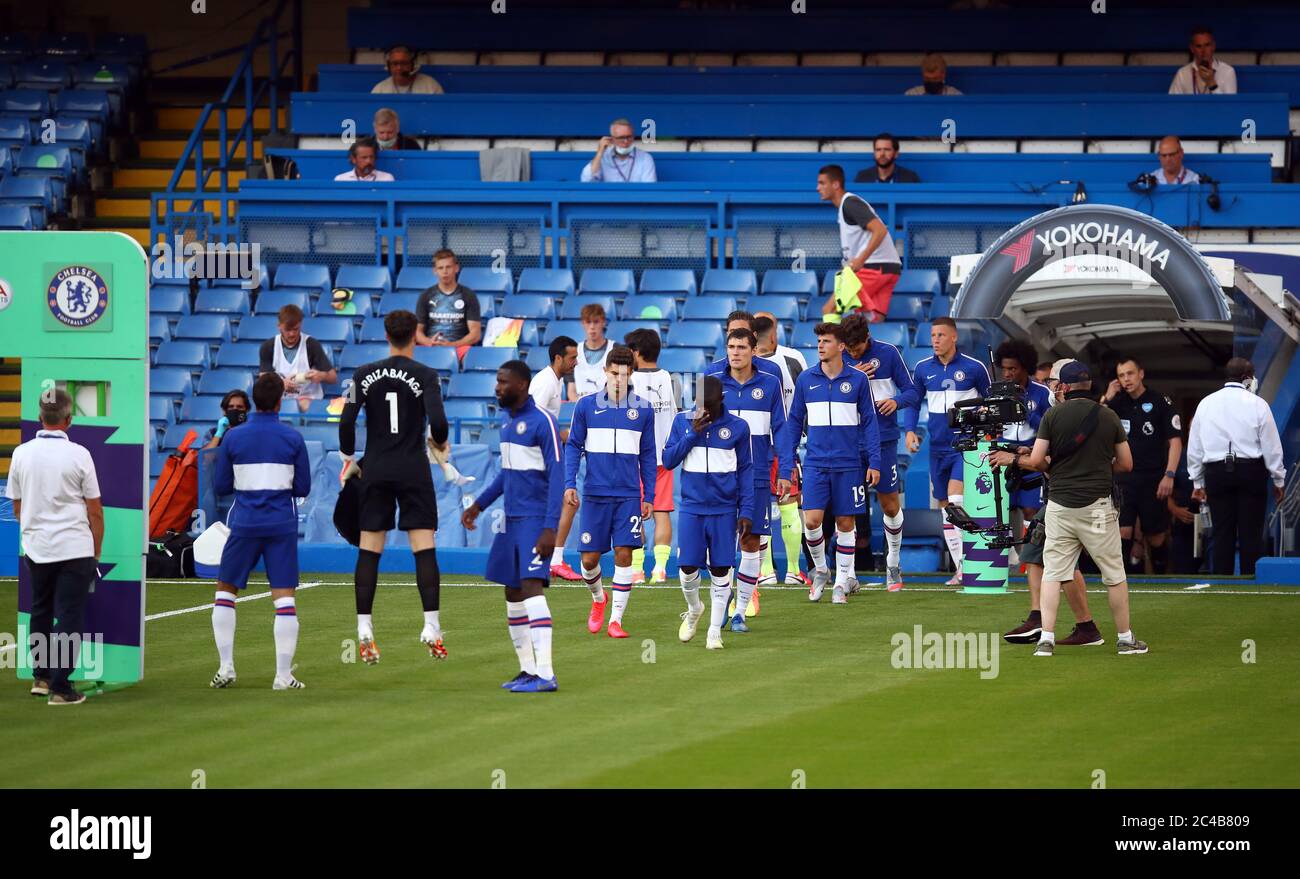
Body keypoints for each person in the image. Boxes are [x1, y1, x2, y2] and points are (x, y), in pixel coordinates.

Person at [1004, 361, 1148, 657]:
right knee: (1114, 574)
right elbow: (1127, 464)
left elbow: (1038, 459)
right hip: (1097, 506)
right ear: (1089, 385)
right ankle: (1125, 638)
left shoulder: (1053, 415)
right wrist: (1101, 465)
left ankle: (1046, 639)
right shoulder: (1108, 416)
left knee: (1053, 572)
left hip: (1060, 505)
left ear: (1064, 387)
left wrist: (1016, 458)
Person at [338, 310, 451, 664]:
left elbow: (346, 420)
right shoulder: (426, 374)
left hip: (376, 467)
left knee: (370, 548)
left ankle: (364, 628)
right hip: (413, 468)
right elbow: (440, 424)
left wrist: (348, 456)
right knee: (424, 548)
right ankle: (431, 626)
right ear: (415, 335)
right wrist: (439, 442)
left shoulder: (363, 373)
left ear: (387, 334)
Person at [462, 361, 564, 693]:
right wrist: (479, 505)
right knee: (512, 590)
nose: (497, 387)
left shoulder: (543, 422)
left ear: (522, 385)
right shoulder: (507, 424)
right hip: (510, 521)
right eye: (496, 380)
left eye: (503, 382)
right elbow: (506, 474)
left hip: (535, 521)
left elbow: (558, 475)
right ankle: (528, 670)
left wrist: (551, 528)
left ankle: (547, 674)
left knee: (532, 586)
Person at [210, 373, 311, 691]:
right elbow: (303, 487)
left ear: (253, 401)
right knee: (284, 598)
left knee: (225, 592)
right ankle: (283, 675)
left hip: (245, 522)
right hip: (281, 523)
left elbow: (221, 485)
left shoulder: (233, 438)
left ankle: (226, 668)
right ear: (280, 401)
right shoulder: (293, 438)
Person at [993, 358, 1101, 648]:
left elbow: (1049, 463)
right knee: (1046, 557)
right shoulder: (1094, 413)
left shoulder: (1061, 416)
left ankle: (1051, 622)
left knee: (1045, 556)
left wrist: (1014, 459)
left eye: (1053, 382)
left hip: (1067, 498)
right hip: (1087, 497)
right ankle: (1073, 625)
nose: (1050, 387)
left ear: (1063, 385)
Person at [5, 389, 103, 706]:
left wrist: (31, 533)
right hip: (74, 545)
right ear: (68, 419)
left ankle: (42, 677)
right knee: (69, 613)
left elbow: (17, 506)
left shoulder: (21, 453)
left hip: (38, 546)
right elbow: (95, 509)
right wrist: (96, 548)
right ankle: (62, 686)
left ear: (40, 417)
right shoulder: (79, 454)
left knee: (41, 610)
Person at [780, 323, 881, 604]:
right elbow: (793, 423)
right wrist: (787, 463)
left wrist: (874, 461)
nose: (820, 345)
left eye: (826, 341)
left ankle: (840, 583)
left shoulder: (858, 381)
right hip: (815, 464)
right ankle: (822, 570)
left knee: (846, 523)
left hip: (849, 464)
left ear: (841, 347)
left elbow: (870, 423)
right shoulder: (806, 380)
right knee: (812, 522)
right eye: (818, 341)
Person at [564, 345, 656, 638]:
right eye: (614, 373)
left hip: (628, 495)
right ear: (605, 371)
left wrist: (649, 496)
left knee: (624, 553)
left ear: (631, 375)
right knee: (589, 560)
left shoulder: (643, 409)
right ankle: (598, 598)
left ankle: (616, 621)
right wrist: (569, 484)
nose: (619, 378)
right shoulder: (586, 406)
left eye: (624, 374)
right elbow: (573, 446)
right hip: (594, 495)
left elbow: (648, 455)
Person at [661, 375, 754, 651]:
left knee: (720, 568)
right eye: (699, 404)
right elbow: (668, 461)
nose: (703, 410)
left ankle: (714, 630)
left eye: (708, 406)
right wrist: (692, 433)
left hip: (724, 509)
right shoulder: (682, 422)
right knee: (688, 567)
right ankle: (694, 609)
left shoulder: (738, 427)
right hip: (692, 507)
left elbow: (746, 470)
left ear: (721, 401)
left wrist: (746, 509)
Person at [902, 317, 992, 585]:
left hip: (964, 445)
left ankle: (972, 563)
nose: (935, 340)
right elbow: (912, 402)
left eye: (941, 335)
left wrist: (983, 417)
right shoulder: (922, 369)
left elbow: (992, 400)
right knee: (943, 504)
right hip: (937, 446)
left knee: (955, 498)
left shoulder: (974, 368)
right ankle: (961, 567)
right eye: (932, 335)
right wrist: (909, 430)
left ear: (954, 337)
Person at [1187, 357, 1286, 576]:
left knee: (1222, 532)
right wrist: (1279, 480)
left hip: (1216, 473)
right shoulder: (1258, 404)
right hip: (1251, 471)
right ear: (1247, 378)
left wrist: (1197, 481)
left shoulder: (1206, 403)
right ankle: (1251, 582)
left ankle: (1223, 583)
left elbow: (1195, 446)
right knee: (1251, 532)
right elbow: (1272, 446)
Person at [717, 327, 788, 628]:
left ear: (753, 350)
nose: (735, 352)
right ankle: (721, 603)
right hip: (719, 474)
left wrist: (785, 470)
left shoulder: (771, 384)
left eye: (741, 347)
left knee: (751, 540)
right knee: (719, 543)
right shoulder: (711, 384)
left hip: (757, 475)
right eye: (731, 346)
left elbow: (782, 430)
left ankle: (740, 611)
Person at [842, 312, 918, 591]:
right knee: (846, 507)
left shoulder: (888, 354)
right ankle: (847, 574)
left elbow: (912, 392)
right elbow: (827, 392)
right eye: (848, 349)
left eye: (856, 348)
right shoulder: (840, 356)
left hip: (884, 440)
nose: (851, 352)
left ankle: (893, 564)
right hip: (848, 441)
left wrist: (896, 402)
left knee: (889, 504)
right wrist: (852, 376)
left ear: (867, 339)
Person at [1101, 356, 1182, 575]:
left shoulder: (1159, 401)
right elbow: (1092, 424)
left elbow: (1175, 441)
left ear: (1141, 374)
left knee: (1155, 536)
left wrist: (1169, 475)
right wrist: (1106, 397)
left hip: (1154, 478)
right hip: (1123, 478)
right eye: (1121, 375)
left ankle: (1161, 577)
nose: (1126, 379)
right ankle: (1125, 582)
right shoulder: (1115, 404)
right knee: (1122, 532)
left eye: (1130, 373)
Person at [753, 314, 808, 586]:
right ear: (774, 333)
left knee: (761, 506)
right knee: (789, 504)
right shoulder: (794, 358)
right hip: (786, 443)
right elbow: (806, 398)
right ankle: (794, 571)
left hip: (756, 446)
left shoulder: (743, 364)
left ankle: (765, 572)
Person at [624, 328, 681, 585]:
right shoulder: (672, 379)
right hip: (664, 456)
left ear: (636, 352)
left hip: (635, 457)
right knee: (662, 512)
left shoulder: (629, 380)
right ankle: (659, 568)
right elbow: (678, 415)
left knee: (633, 511)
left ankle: (636, 569)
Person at [816, 164, 902, 323]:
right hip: (890, 268)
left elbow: (880, 230)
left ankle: (832, 348)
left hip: (873, 266)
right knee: (872, 320)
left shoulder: (850, 203)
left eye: (822, 183)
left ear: (835, 184)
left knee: (830, 309)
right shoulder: (847, 205)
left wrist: (861, 260)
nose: (817, 188)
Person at [529, 335, 582, 581]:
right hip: (537, 458)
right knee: (568, 502)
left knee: (564, 504)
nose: (576, 362)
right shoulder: (545, 383)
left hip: (545, 456)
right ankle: (553, 560)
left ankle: (550, 559)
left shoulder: (554, 381)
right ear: (558, 358)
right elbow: (531, 421)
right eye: (573, 358)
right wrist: (566, 435)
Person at [994, 339, 1052, 563]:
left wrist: (1024, 408)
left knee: (1031, 511)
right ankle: (1009, 559)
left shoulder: (1042, 393)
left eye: (1013, 369)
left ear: (1025, 367)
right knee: (1005, 507)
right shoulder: (996, 393)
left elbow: (1048, 429)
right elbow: (995, 430)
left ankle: (1030, 559)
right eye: (1005, 368)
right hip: (1005, 458)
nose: (1007, 373)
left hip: (1032, 459)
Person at [258, 304, 337, 415]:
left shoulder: (311, 345)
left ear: (301, 324)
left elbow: (333, 377)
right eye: (288, 330)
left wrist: (321, 376)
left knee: (305, 406)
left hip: (309, 400)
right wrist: (280, 384)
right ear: (279, 326)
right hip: (280, 403)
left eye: (296, 329)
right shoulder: (268, 346)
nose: (292, 334)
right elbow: (263, 380)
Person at [415, 248, 481, 361]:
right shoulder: (426, 296)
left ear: (456, 268)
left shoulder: (468, 295)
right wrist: (429, 342)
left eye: (448, 267)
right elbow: (417, 331)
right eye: (440, 268)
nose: (445, 272)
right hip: (430, 347)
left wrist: (452, 344)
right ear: (435, 271)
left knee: (469, 357)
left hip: (459, 348)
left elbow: (475, 334)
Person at [580, 117, 657, 183]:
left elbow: (650, 187)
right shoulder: (603, 157)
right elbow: (587, 180)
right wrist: (600, 152)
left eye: (629, 137)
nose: (626, 141)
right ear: (612, 139)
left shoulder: (645, 158)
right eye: (621, 138)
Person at [1168, 27, 1237, 95]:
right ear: (1192, 49)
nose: (1203, 51)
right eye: (1199, 46)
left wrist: (1212, 83)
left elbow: (1229, 105)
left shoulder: (1227, 71)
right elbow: (1172, 103)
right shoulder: (1182, 73)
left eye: (1207, 45)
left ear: (1213, 46)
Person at [572, 302, 614, 396]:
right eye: (588, 322)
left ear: (603, 322)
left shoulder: (615, 349)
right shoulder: (574, 351)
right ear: (583, 323)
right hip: (580, 406)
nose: (592, 327)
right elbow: (571, 391)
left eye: (596, 322)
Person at [371, 45, 444, 95]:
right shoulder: (380, 89)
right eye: (395, 64)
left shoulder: (430, 85)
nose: (399, 68)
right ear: (389, 66)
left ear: (412, 65)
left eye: (404, 63)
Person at [854, 133, 921, 184]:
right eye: (878, 150)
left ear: (896, 154)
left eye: (887, 149)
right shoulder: (862, 177)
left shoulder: (910, 178)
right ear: (874, 153)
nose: (882, 154)